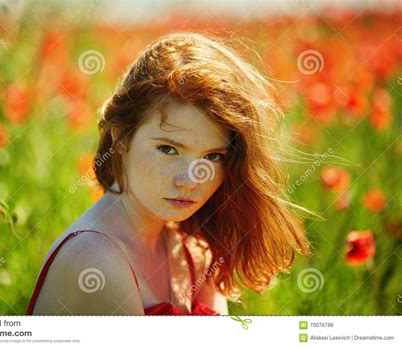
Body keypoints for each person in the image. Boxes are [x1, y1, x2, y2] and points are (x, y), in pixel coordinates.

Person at [26, 32, 310, 315]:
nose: (189, 181)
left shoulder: (192, 251)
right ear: (121, 137)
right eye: (168, 149)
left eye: (213, 156)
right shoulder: (94, 260)